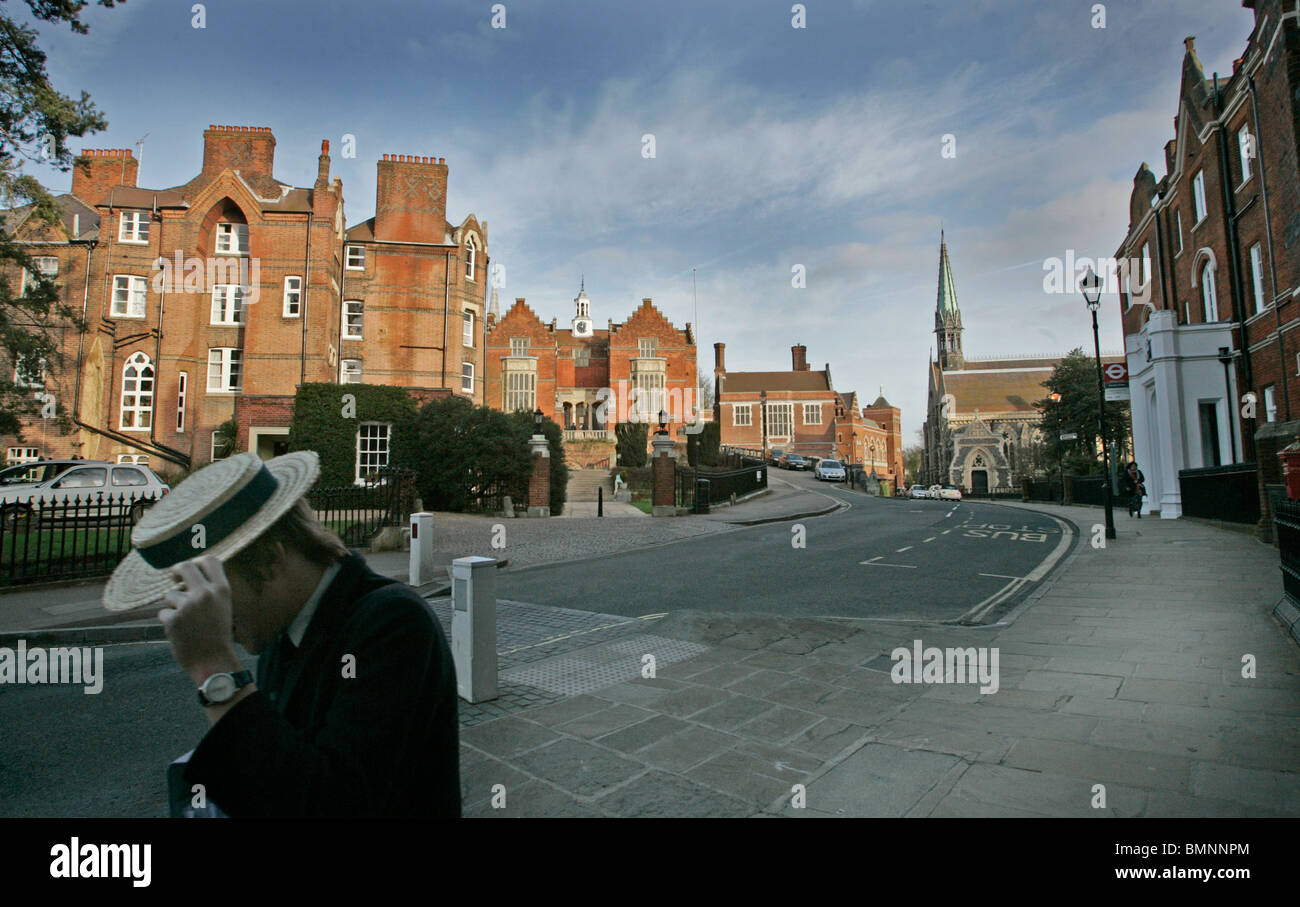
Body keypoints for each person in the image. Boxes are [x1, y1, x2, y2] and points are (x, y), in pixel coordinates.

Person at [102, 450, 461, 817]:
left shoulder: (393, 623)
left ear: (271, 559)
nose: (205, 614)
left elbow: (330, 806)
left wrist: (215, 670)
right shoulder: (282, 632)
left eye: (211, 592)